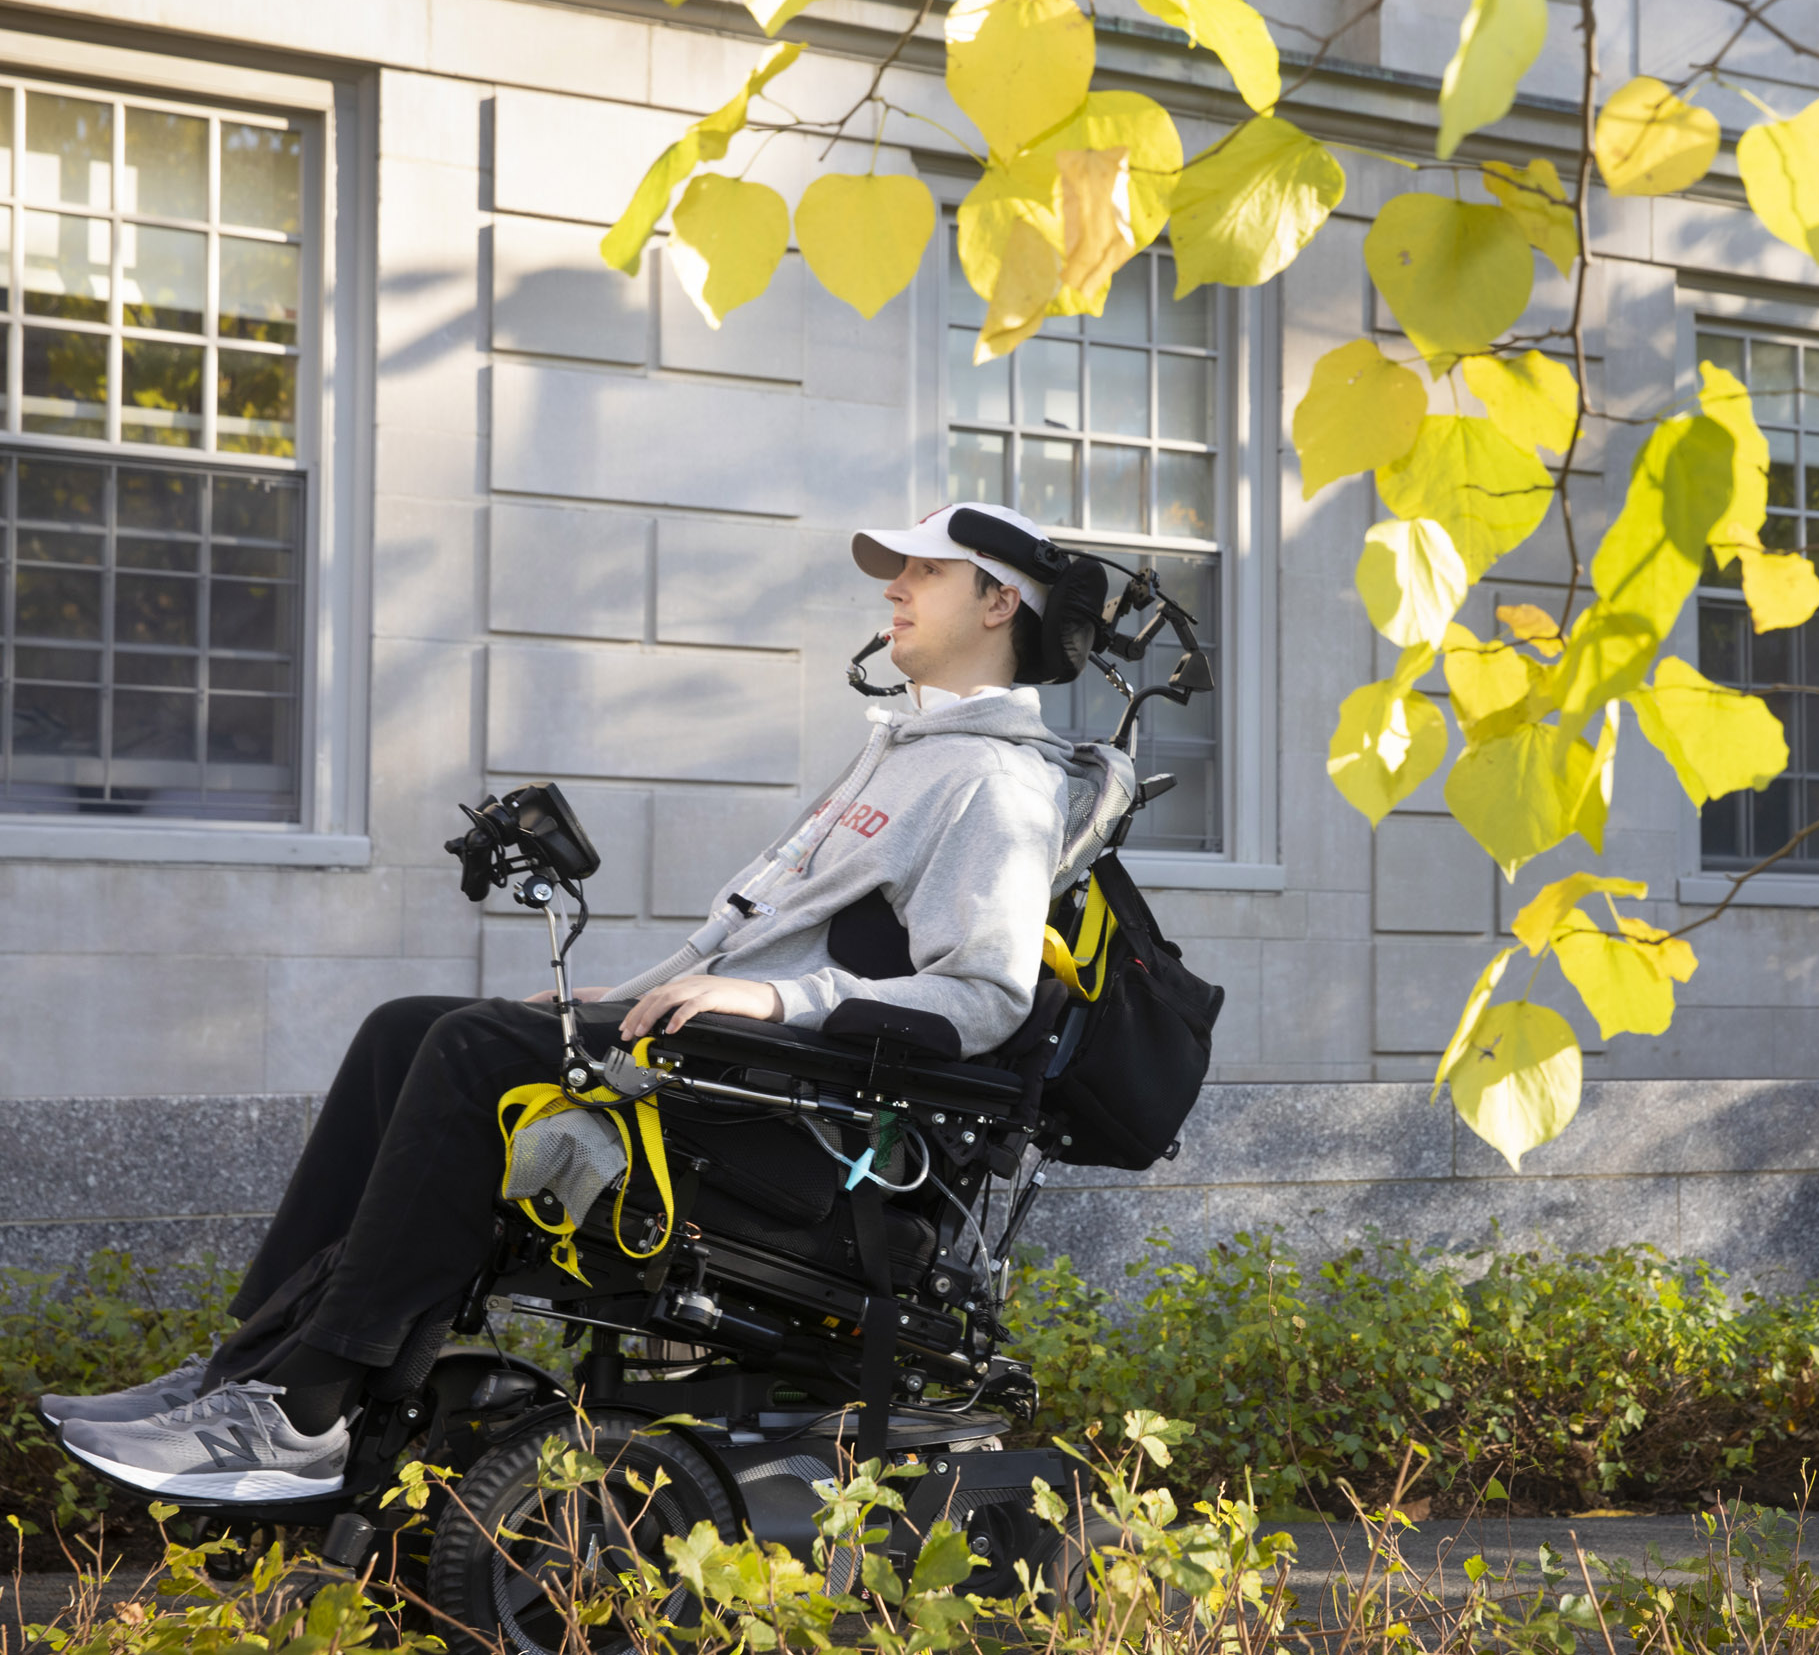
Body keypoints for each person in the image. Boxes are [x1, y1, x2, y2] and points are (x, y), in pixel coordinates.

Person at [45, 503, 1107, 1501]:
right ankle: (247, 1369)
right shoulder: (905, 751)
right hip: (730, 1062)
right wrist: (641, 992)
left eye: (927, 570)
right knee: (405, 1027)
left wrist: (773, 998)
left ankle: (305, 1409)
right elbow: (777, 926)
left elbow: (984, 995)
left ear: (1000, 602)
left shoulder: (996, 782)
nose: (897, 589)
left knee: (468, 1048)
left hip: (792, 1129)